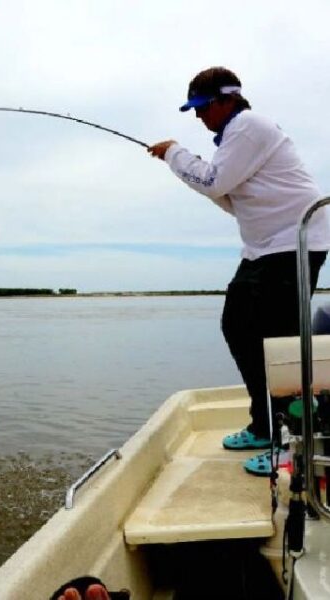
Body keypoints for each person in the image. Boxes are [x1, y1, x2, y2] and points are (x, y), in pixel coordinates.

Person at [148, 67, 330, 475]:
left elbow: (214, 183)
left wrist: (174, 152)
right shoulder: (233, 138)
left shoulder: (247, 126)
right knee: (237, 325)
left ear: (227, 99)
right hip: (262, 249)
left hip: (294, 242)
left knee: (281, 343)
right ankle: (265, 425)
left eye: (203, 106)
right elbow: (229, 197)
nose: (199, 116)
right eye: (194, 109)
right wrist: (190, 165)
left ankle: (291, 447)